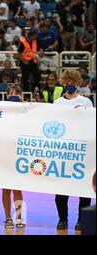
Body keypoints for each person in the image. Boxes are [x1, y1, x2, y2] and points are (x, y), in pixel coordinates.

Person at [54, 69, 93, 231]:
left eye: (73, 83)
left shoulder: (86, 102)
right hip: (63, 150)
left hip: (82, 151)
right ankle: (63, 219)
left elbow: (91, 124)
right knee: (61, 189)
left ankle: (81, 220)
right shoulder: (57, 103)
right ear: (63, 83)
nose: (70, 85)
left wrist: (82, 114)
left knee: (83, 188)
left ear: (78, 83)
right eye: (67, 83)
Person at [2, 84, 25, 229]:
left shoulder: (27, 111)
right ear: (6, 96)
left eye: (17, 93)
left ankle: (19, 217)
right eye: (11, 93)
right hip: (4, 154)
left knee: (17, 189)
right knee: (5, 189)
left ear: (21, 96)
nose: (14, 95)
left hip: (19, 154)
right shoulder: (2, 111)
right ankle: (8, 218)